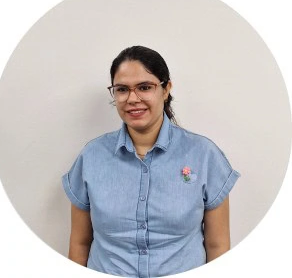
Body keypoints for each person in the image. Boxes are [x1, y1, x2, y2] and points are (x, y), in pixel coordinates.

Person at [62, 45, 241, 277]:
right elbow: (80, 244)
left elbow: (217, 247)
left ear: (166, 89)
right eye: (122, 89)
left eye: (145, 87)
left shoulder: (204, 155)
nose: (132, 99)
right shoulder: (91, 157)